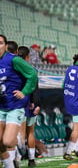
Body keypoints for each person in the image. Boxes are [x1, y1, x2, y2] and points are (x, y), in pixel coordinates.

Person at [0, 35, 38, 168]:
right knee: (0, 144)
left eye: (0, 43)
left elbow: (32, 74)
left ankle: (19, 140)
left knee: (8, 141)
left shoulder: (14, 60)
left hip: (14, 106)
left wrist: (24, 92)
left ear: (5, 46)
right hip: (0, 107)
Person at [17, 46, 41, 167]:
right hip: (31, 104)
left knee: (20, 133)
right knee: (30, 132)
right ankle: (31, 159)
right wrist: (36, 103)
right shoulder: (32, 70)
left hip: (20, 104)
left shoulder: (14, 69)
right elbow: (35, 88)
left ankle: (18, 159)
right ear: (27, 57)